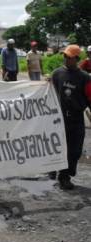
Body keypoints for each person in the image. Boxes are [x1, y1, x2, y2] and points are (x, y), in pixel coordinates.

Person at [50, 44, 91, 190]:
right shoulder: (56, 74)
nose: (66, 59)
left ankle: (66, 173)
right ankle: (62, 175)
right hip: (58, 118)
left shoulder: (84, 78)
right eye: (65, 56)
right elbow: (47, 92)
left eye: (70, 57)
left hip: (76, 119)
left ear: (77, 58)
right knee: (58, 146)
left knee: (75, 150)